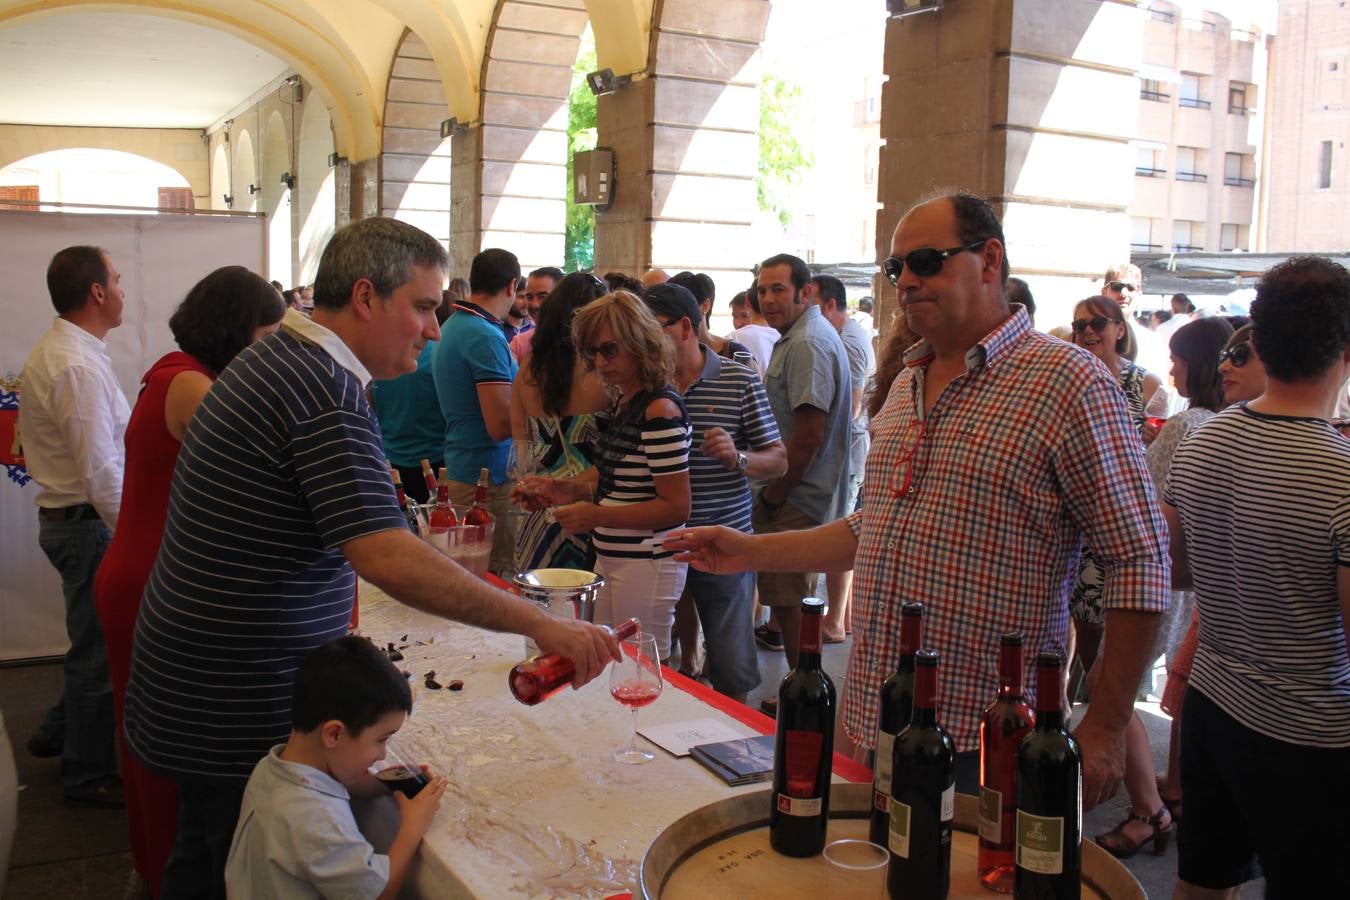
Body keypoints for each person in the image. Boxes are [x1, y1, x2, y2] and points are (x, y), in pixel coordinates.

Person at [123, 218, 618, 898]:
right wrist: (541, 624)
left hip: (209, 680)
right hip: (232, 696)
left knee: (207, 856)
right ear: (364, 296)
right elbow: (385, 553)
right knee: (217, 869)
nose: (435, 328)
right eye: (422, 306)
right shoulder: (320, 384)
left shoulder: (288, 363)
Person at [668, 193, 1168, 806]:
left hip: (990, 735)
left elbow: (1140, 561)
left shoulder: (1071, 383)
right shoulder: (907, 383)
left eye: (926, 261)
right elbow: (871, 528)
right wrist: (747, 551)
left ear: (989, 261)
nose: (905, 281)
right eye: (894, 268)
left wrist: (1109, 723)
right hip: (876, 714)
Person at [92, 266, 284, 897]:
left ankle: (153, 862)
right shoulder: (195, 387)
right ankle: (159, 868)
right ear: (241, 328)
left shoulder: (175, 370)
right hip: (153, 576)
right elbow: (267, 468)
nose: (271, 349)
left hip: (141, 569)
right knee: (164, 746)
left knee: (146, 733)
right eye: (268, 333)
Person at [1163, 256, 1350, 898]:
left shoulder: (1203, 441)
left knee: (1202, 882)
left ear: (1260, 341)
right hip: (1311, 734)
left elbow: (1177, 567)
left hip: (1213, 705)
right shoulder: (1341, 474)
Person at [1094, 316, 1232, 859]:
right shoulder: (1228, 423)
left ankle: (1148, 809)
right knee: (1179, 692)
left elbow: (1143, 502)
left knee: (1114, 678)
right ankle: (1168, 797)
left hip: (1159, 574)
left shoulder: (1187, 424)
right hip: (1195, 578)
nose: (1170, 366)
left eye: (1179, 357)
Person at [521, 290, 693, 660]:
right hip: (616, 556)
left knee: (641, 667)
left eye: (609, 349)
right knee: (610, 661)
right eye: (593, 353)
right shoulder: (629, 401)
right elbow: (610, 475)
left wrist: (596, 515)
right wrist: (560, 488)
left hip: (647, 561)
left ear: (640, 342)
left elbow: (676, 507)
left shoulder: (660, 409)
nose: (600, 362)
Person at [17, 245, 130, 808]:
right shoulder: (75, 364)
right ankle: (87, 774)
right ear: (96, 293)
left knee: (91, 639)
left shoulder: (77, 353)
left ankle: (59, 731)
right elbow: (102, 472)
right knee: (98, 653)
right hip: (87, 526)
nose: (123, 287)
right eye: (116, 279)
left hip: (79, 523)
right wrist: (134, 536)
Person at [224, 636, 448, 898]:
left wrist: (379, 784)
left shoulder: (272, 768)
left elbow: (323, 785)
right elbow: (377, 893)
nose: (382, 754)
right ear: (333, 735)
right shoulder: (318, 819)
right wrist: (413, 825)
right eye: (381, 739)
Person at [646, 283, 786, 701]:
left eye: (652, 333)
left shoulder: (738, 379)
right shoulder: (645, 386)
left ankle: (736, 751)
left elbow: (778, 459)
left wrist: (739, 457)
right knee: (651, 658)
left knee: (731, 664)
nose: (644, 345)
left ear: (685, 327)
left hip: (722, 542)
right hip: (659, 541)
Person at [749, 254, 852, 688]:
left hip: (796, 494)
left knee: (789, 601)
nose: (768, 299)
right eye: (763, 290)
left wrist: (774, 495)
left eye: (778, 289)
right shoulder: (799, 336)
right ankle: (801, 690)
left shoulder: (808, 342)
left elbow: (808, 436)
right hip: (799, 491)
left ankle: (803, 694)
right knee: (787, 598)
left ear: (805, 292)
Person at [1067, 295, 1165, 691]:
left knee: (1117, 635)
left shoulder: (1145, 383)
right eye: (1080, 326)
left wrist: (1150, 441)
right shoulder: (1069, 377)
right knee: (1084, 634)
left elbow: (1161, 456)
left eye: (1098, 323)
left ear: (1120, 329)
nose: (1088, 331)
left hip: (1123, 521)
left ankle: (1107, 715)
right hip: (1079, 524)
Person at [509, 272, 610, 572]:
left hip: (540, 512)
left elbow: (522, 456)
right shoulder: (604, 375)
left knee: (542, 607)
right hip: (593, 507)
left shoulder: (527, 372)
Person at [432, 248, 521, 574]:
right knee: (496, 580)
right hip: (487, 479)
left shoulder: (456, 324)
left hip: (464, 467)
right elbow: (498, 424)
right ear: (512, 285)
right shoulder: (483, 334)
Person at [811, 274, 875, 643]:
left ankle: (834, 621)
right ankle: (843, 618)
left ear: (830, 305)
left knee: (842, 530)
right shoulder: (849, 335)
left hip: (847, 452)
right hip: (847, 450)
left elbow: (851, 407)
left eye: (813, 302)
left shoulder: (849, 340)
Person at [370, 324, 446, 506]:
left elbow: (369, 409)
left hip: (390, 460)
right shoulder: (437, 353)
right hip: (434, 459)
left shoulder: (374, 354)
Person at [1102, 262, 1169, 376]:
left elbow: (1160, 388)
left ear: (1139, 294)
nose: (1123, 293)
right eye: (1116, 287)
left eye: (1131, 287)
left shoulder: (1153, 342)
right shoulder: (1091, 337)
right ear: (1104, 292)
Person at [668, 271, 750, 362]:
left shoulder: (735, 352)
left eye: (683, 305)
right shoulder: (667, 353)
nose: (675, 314)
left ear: (705, 306)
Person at [509, 266, 562, 360]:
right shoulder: (519, 344)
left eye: (543, 297)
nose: (535, 305)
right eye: (529, 297)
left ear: (561, 297)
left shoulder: (579, 341)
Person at [728, 288, 779, 377]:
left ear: (748, 303)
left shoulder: (732, 339)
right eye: (735, 316)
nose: (737, 323)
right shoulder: (782, 336)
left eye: (744, 316)